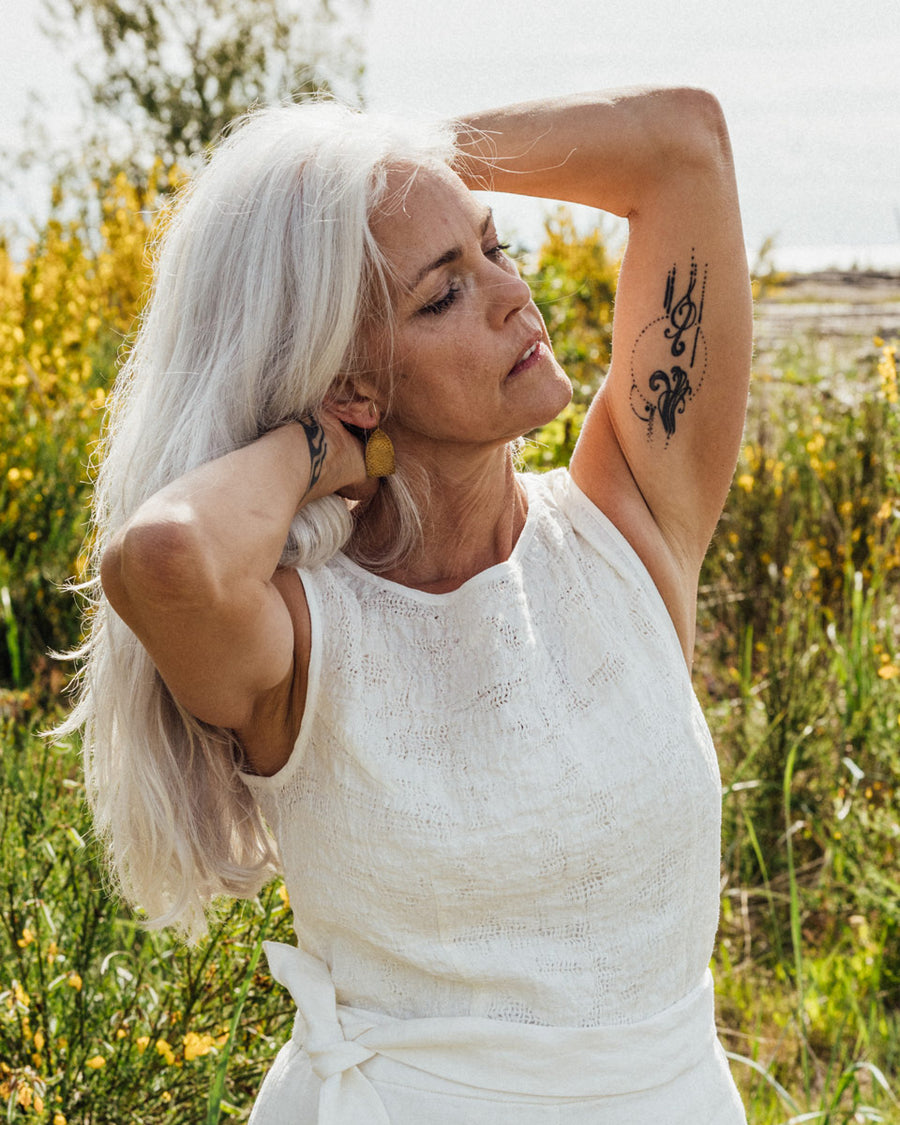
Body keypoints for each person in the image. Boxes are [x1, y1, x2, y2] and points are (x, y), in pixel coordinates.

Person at [69, 86, 753, 1122]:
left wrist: (392, 156)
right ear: (351, 385)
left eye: (493, 246)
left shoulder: (632, 530)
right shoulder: (301, 640)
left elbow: (682, 145)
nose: (513, 298)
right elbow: (164, 557)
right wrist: (319, 448)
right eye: (442, 296)